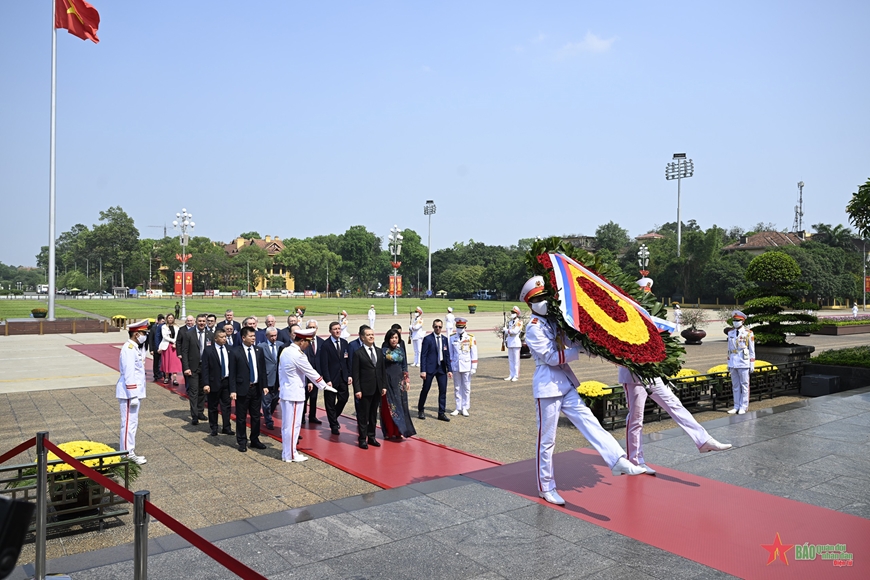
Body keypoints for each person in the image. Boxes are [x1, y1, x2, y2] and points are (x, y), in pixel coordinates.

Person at [520, 275, 644, 506]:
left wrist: (592, 344)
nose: (544, 301)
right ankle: (546, 487)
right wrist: (580, 351)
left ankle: (617, 459)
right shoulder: (534, 328)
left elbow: (571, 339)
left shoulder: (553, 321)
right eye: (539, 298)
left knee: (590, 422)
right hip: (547, 386)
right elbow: (551, 357)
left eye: (546, 296)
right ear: (530, 304)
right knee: (546, 441)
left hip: (565, 383)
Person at [619, 368, 732, 474]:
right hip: (633, 378)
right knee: (636, 418)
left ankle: (703, 440)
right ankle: (636, 461)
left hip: (652, 373)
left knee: (675, 404)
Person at [277, 327, 336, 462]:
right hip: (295, 394)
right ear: (302, 341)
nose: (308, 345)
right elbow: (311, 372)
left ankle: (287, 453)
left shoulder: (286, 351)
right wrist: (324, 386)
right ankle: (291, 454)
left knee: (287, 426)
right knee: (293, 426)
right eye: (308, 342)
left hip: (287, 391)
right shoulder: (297, 355)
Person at [229, 327, 269, 452]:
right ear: (243, 338)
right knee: (241, 417)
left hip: (256, 389)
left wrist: (264, 385)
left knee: (256, 416)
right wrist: (233, 390)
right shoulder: (235, 352)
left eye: (254, 336)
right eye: (251, 336)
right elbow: (232, 373)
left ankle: (255, 439)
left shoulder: (259, 350)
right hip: (242, 389)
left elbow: (262, 370)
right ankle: (242, 441)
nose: (253, 338)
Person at [116, 319, 149, 465]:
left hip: (134, 392)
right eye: (143, 333)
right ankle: (127, 454)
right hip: (130, 393)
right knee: (128, 423)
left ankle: (129, 451)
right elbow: (129, 372)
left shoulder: (134, 347)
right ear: (136, 334)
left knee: (132, 424)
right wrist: (133, 394)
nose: (145, 335)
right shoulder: (129, 349)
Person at [351, 325, 387, 449]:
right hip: (365, 389)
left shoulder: (378, 351)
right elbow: (355, 374)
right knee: (363, 415)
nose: (371, 336)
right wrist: (357, 389)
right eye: (368, 335)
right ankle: (362, 438)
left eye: (372, 334)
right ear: (362, 337)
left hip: (377, 388)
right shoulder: (358, 353)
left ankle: (371, 437)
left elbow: (382, 370)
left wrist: (383, 385)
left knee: (373, 415)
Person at [380, 329, 416, 439]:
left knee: (401, 406)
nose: (394, 340)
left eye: (396, 338)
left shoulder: (401, 351)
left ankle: (399, 431)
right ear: (388, 339)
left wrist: (407, 381)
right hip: (387, 381)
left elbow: (404, 366)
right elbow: (380, 368)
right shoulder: (383, 351)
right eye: (392, 338)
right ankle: (389, 432)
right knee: (388, 407)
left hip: (399, 382)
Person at [200, 328, 235, 437]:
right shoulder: (209, 350)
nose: (224, 339)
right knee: (213, 406)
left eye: (225, 337)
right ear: (215, 339)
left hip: (226, 382)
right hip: (214, 382)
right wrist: (206, 383)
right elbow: (205, 368)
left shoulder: (229, 349)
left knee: (226, 406)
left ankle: (226, 427)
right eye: (222, 337)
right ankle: (214, 427)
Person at [180, 313, 212, 425]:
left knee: (203, 391)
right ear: (196, 322)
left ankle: (200, 411)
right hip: (193, 367)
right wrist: (186, 367)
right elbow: (184, 352)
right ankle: (194, 415)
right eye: (200, 321)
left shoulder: (210, 334)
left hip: (205, 367)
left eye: (204, 321)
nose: (202, 323)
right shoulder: (189, 334)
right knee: (193, 391)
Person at [418, 319, 453, 421]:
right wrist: (423, 370)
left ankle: (441, 413)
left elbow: (447, 356)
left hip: (441, 368)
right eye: (436, 326)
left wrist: (449, 369)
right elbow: (423, 355)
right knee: (425, 389)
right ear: (433, 327)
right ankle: (421, 409)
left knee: (443, 390)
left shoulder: (445, 339)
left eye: (440, 327)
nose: (438, 328)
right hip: (430, 368)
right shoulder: (428, 339)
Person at [321, 321, 352, 436]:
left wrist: (349, 375)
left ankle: (333, 416)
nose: (337, 331)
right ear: (330, 331)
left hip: (343, 377)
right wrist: (327, 379)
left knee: (344, 398)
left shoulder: (344, 343)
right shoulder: (326, 345)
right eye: (335, 329)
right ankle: (333, 425)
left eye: (339, 328)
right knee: (330, 402)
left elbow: (347, 361)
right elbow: (324, 364)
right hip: (331, 379)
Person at [726, 310, 755, 415]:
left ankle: (744, 406)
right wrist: (728, 363)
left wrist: (752, 364)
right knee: (735, 385)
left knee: (744, 385)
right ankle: (736, 405)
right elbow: (729, 349)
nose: (735, 322)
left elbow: (752, 350)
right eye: (734, 320)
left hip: (743, 361)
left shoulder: (748, 333)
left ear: (742, 321)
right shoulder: (730, 333)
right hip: (733, 362)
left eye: (737, 320)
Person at [448, 318, 477, 416]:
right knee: (457, 387)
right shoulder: (452, 337)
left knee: (466, 387)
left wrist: (474, 367)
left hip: (466, 365)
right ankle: (458, 407)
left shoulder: (470, 338)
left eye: (461, 327)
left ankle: (465, 407)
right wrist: (450, 367)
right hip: (456, 365)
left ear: (465, 327)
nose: (459, 329)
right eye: (458, 327)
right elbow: (450, 354)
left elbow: (474, 353)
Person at [258, 327, 284, 430]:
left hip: (278, 379)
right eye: (271, 336)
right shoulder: (261, 347)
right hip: (267, 379)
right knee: (266, 402)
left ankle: (269, 414)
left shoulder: (281, 345)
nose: (273, 338)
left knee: (275, 400)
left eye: (275, 335)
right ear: (266, 336)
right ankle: (268, 420)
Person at [302, 320, 325, 425]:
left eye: (314, 327)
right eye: (310, 327)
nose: (312, 329)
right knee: (304, 398)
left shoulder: (321, 342)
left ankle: (312, 416)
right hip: (305, 375)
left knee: (314, 397)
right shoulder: (302, 342)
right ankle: (301, 417)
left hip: (316, 375)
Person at [159, 313, 183, 386]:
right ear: (167, 319)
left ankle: (175, 379)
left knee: (174, 362)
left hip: (174, 346)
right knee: (167, 362)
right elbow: (164, 336)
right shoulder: (163, 327)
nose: (170, 319)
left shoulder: (176, 327)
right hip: (167, 345)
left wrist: (175, 342)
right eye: (169, 318)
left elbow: (178, 336)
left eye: (171, 318)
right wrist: (172, 340)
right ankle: (166, 377)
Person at [503, 306, 523, 381]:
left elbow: (515, 331)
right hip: (510, 342)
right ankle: (511, 374)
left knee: (516, 360)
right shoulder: (510, 322)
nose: (512, 314)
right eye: (512, 312)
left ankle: (516, 375)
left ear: (517, 314)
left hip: (516, 342)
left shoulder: (519, 322)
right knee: (510, 360)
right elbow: (508, 333)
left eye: (514, 313)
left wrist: (506, 330)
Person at [149, 314, 165, 383]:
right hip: (156, 348)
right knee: (156, 362)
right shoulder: (153, 328)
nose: (163, 323)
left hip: (163, 348)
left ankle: (164, 375)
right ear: (158, 321)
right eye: (162, 321)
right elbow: (150, 339)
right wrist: (151, 349)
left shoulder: (165, 328)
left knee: (164, 362)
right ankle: (156, 375)